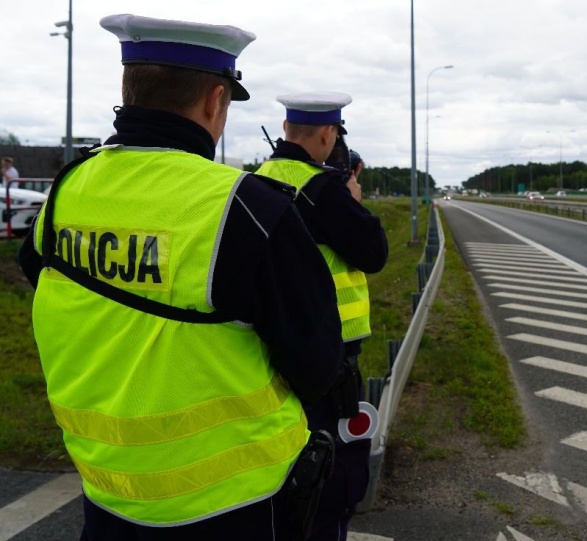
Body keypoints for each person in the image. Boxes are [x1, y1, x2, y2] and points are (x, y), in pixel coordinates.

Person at [18, 14, 344, 540]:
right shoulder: (248, 208)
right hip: (234, 501)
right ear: (215, 101)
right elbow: (317, 364)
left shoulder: (66, 190)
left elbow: (48, 282)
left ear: (130, 87)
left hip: (107, 488)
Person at [256, 92, 388, 541]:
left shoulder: (257, 180)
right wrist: (353, 198)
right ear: (329, 134)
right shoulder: (323, 191)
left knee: (280, 466)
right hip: (328, 358)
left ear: (286, 128)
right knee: (327, 481)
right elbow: (374, 252)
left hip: (265, 352)